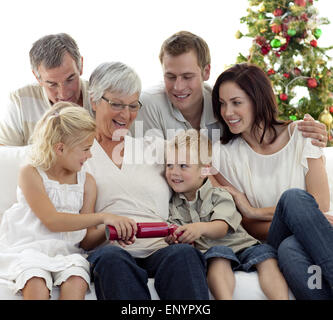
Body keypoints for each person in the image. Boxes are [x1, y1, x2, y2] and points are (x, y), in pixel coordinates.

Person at [84, 61, 209, 300]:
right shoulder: (80, 155)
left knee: (184, 254)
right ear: (94, 101)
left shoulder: (155, 148)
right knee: (112, 259)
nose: (126, 114)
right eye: (117, 104)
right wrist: (108, 230)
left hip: (159, 248)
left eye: (133, 106)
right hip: (110, 252)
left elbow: (202, 166)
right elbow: (82, 233)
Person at [211, 63, 333, 299]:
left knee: (290, 249)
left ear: (258, 100)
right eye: (222, 104)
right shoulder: (222, 154)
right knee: (294, 199)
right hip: (269, 239)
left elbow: (321, 201)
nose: (227, 112)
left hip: (288, 244)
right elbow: (248, 225)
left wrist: (255, 210)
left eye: (236, 102)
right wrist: (297, 221)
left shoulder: (301, 134)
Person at [0, 102, 136, 300]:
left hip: (67, 254)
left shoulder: (87, 183)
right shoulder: (31, 173)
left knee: (77, 279)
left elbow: (86, 240)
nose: (89, 156)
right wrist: (103, 217)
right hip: (29, 249)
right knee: (36, 280)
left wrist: (110, 231)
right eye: (85, 149)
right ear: (60, 148)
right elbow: (52, 221)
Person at [133, 30, 328, 146]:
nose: (178, 86)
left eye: (187, 76)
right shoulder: (147, 103)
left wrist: (304, 131)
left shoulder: (223, 104)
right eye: (170, 76)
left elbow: (262, 131)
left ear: (206, 72)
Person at [164, 129, 289, 300]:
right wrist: (175, 237)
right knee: (218, 257)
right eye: (169, 165)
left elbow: (222, 227)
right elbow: (176, 231)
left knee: (267, 258)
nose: (174, 172)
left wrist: (199, 228)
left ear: (205, 171)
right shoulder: (173, 205)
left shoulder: (219, 194)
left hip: (244, 245)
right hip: (214, 252)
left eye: (183, 165)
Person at [0, 33, 91, 146]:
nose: (63, 94)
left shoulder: (101, 97)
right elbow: (4, 155)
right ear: (37, 78)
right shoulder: (20, 101)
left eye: (70, 79)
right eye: (52, 84)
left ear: (80, 66)